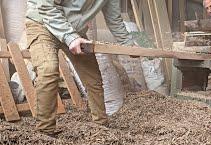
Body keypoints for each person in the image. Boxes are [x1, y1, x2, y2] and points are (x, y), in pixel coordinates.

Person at [25, 0, 134, 136]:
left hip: (74, 30)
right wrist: (70, 37)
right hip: (42, 23)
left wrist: (129, 44)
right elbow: (45, 6)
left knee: (93, 78)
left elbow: (114, 19)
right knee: (48, 69)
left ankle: (102, 129)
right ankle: (45, 133)